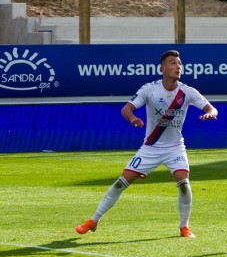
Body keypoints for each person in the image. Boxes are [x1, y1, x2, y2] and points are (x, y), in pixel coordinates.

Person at [75, 50, 218, 238]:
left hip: (175, 147)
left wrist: (211, 114)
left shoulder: (187, 91)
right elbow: (126, 109)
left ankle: (184, 227)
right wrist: (133, 119)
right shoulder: (149, 89)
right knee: (120, 183)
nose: (177, 67)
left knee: (184, 183)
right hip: (150, 148)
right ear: (163, 68)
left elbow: (212, 108)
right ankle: (93, 220)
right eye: (173, 63)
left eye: (179, 64)